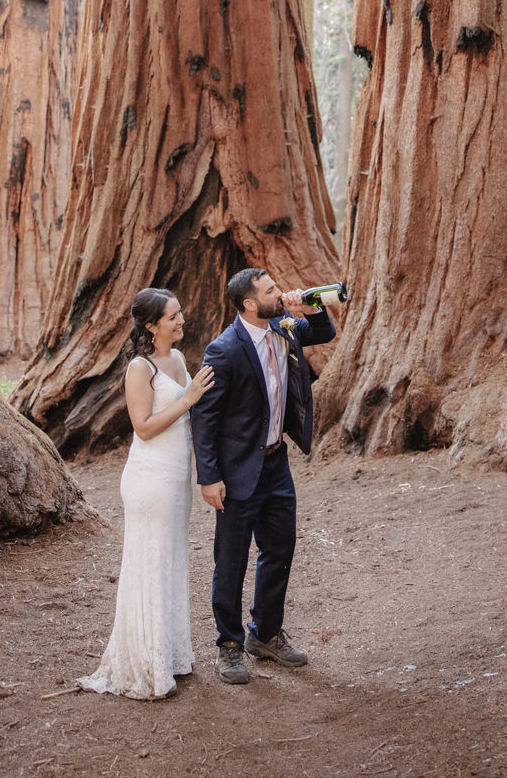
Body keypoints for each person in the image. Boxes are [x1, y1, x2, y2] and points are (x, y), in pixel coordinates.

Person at [190, 268, 336, 685]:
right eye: (271, 290)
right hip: (237, 471)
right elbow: (205, 417)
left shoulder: (285, 326)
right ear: (250, 304)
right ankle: (230, 645)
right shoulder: (224, 349)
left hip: (276, 464)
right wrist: (209, 477)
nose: (279, 292)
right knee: (231, 560)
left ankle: (266, 634)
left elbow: (322, 333)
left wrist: (311, 305)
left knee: (280, 548)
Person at [78, 288, 214, 700]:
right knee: (150, 563)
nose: (181, 320)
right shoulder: (139, 368)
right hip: (149, 478)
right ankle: (146, 667)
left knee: (171, 560)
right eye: (173, 316)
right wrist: (189, 398)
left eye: (180, 313)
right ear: (152, 326)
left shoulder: (175, 359)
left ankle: (171, 655)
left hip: (176, 477)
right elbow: (144, 426)